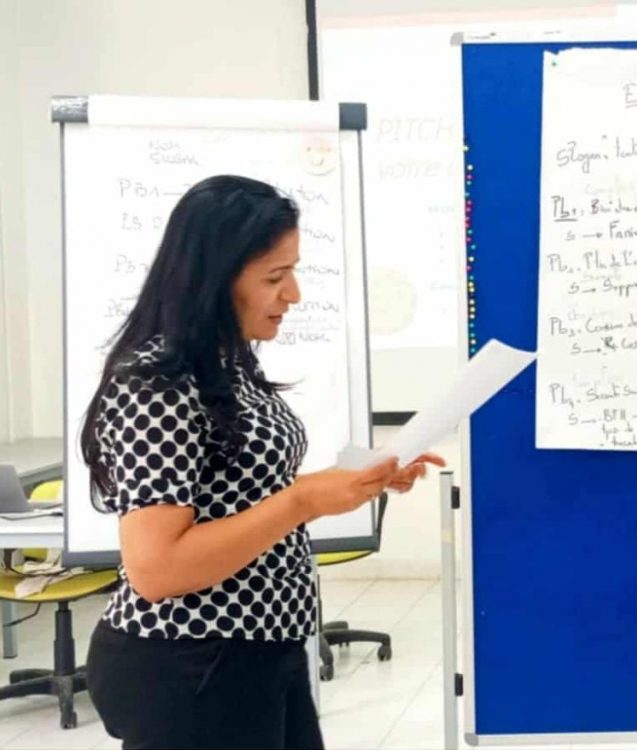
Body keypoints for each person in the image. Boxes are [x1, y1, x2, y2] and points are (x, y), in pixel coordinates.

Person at [79, 175, 443, 749]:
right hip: (192, 660)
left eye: (292, 272)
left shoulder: (229, 363)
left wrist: (353, 481)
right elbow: (157, 570)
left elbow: (241, 491)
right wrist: (302, 501)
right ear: (213, 279)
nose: (292, 294)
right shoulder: (157, 383)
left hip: (262, 646)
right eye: (274, 277)